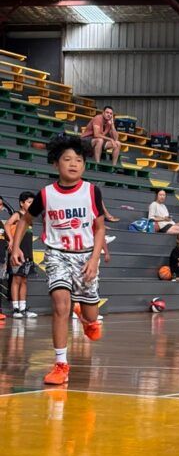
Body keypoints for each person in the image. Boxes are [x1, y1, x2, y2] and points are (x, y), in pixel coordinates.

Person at [10, 135, 106, 385]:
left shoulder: (91, 191)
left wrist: (95, 258)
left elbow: (100, 228)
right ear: (56, 163)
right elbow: (25, 220)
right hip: (57, 255)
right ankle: (61, 365)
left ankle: (86, 318)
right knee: (61, 306)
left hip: (85, 256)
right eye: (67, 159)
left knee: (93, 318)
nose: (73, 163)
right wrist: (15, 246)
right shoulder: (46, 194)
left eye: (79, 160)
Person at [5, 191, 39, 319]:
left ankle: (23, 308)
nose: (31, 205)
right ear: (21, 203)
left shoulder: (29, 218)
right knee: (16, 280)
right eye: (29, 202)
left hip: (27, 253)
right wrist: (12, 241)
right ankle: (16, 309)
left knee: (24, 280)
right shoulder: (17, 215)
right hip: (17, 253)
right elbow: (7, 225)